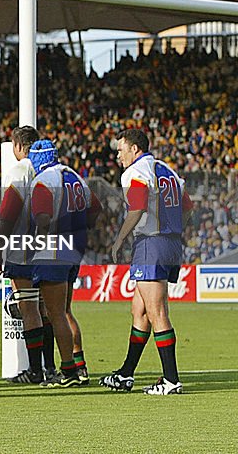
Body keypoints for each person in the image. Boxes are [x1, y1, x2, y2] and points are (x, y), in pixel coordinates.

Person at [101, 129, 191, 396]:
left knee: (157, 312)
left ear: (135, 149)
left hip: (151, 243)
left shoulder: (135, 172)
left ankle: (171, 380)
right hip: (170, 243)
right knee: (139, 311)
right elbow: (187, 207)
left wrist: (119, 241)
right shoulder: (166, 169)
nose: (118, 155)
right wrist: (172, 230)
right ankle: (126, 374)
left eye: (121, 149)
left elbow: (137, 208)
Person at [27, 140, 102, 389]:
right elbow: (96, 207)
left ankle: (68, 370)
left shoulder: (43, 181)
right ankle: (79, 366)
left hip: (53, 250)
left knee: (54, 313)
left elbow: (43, 219)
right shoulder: (73, 175)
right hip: (74, 248)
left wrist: (35, 243)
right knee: (66, 310)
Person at [0, 126, 48, 384]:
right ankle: (51, 367)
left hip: (23, 247)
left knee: (28, 308)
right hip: (49, 248)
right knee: (47, 309)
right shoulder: (47, 169)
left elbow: (8, 213)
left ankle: (35, 370)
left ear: (17, 146)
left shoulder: (19, 170)